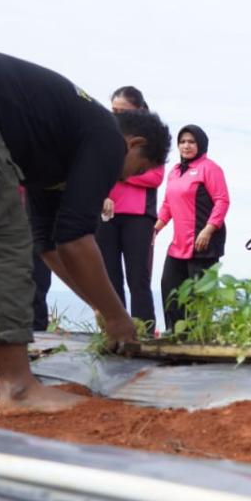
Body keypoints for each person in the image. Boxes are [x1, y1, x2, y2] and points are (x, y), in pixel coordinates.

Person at [0, 52, 169, 413]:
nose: (126, 179)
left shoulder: (57, 144)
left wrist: (100, 307)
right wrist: (118, 317)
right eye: (138, 169)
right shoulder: (107, 137)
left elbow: (49, 243)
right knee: (6, 242)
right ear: (134, 144)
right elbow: (75, 239)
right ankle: (18, 389)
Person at [96, 86, 165, 333]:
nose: (116, 115)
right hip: (106, 214)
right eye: (113, 110)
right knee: (110, 276)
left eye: (122, 110)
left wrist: (121, 175)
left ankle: (145, 332)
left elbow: (154, 176)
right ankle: (115, 328)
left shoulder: (152, 136)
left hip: (138, 216)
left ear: (139, 110)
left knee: (138, 278)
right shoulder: (104, 132)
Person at [154, 126, 229, 331]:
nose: (186, 146)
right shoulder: (174, 172)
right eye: (183, 142)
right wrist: (155, 229)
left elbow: (222, 201)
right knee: (169, 287)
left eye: (191, 142)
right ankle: (175, 333)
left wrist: (208, 229)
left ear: (200, 144)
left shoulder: (210, 168)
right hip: (179, 243)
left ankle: (200, 335)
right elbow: (168, 205)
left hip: (203, 241)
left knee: (200, 295)